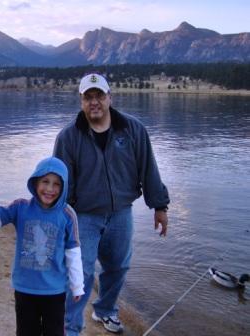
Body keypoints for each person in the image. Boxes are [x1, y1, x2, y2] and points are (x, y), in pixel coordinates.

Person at [53, 74, 170, 335]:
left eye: (99, 96)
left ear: (110, 98)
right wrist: (57, 220)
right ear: (81, 101)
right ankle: (69, 327)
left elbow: (148, 169)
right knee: (79, 273)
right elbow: (58, 184)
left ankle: (105, 310)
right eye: (88, 97)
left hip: (121, 214)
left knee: (118, 267)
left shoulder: (133, 130)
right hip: (82, 217)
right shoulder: (68, 137)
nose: (94, 102)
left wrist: (159, 207)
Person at [0, 156, 84, 336]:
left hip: (54, 291)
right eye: (45, 181)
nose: (50, 189)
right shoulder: (21, 207)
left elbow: (73, 252)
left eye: (57, 184)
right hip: (24, 289)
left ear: (64, 187)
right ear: (35, 182)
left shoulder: (68, 215)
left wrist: (77, 285)